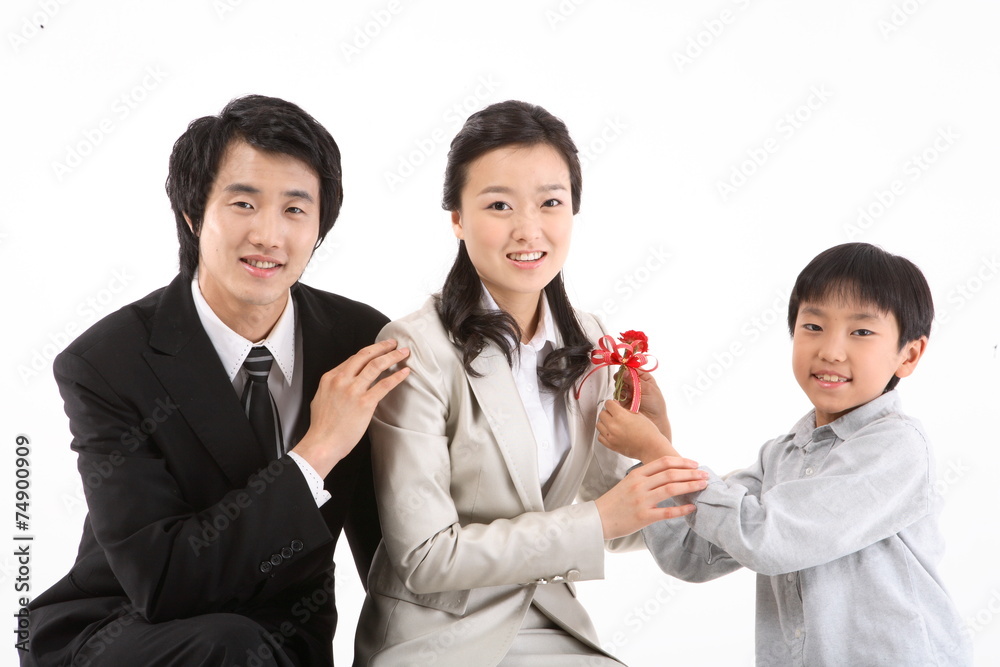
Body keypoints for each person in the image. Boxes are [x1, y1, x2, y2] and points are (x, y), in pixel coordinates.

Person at [22, 95, 410, 667]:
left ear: (320, 226)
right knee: (227, 644)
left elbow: (392, 548)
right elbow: (163, 582)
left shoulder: (358, 339)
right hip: (124, 629)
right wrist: (318, 451)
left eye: (295, 209)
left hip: (284, 641)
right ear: (192, 214)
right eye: (244, 204)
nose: (269, 235)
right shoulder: (108, 362)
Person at [353, 100, 709, 666]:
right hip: (440, 637)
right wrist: (600, 518)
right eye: (499, 205)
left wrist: (655, 454)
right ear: (457, 218)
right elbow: (425, 557)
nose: (529, 229)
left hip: (551, 623)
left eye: (550, 202)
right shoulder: (416, 348)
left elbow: (616, 521)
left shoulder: (590, 339)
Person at [597, 242, 972, 665]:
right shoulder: (781, 456)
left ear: (909, 355)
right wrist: (658, 449)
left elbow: (767, 540)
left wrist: (656, 449)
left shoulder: (896, 447)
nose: (830, 350)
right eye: (813, 326)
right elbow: (690, 555)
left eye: (861, 332)